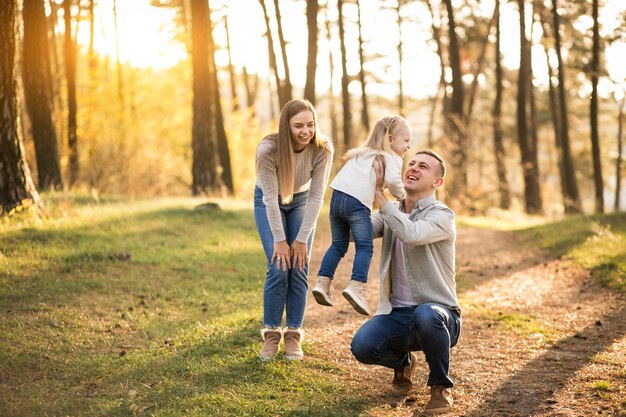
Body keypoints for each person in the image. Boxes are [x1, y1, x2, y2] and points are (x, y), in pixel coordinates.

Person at [350, 149, 461, 415]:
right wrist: (354, 193)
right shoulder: (390, 213)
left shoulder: (442, 215)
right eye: (411, 163)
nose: (413, 168)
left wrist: (381, 196)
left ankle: (440, 388)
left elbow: (411, 233)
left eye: (423, 166)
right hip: (397, 316)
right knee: (362, 347)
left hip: (441, 317)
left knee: (426, 314)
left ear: (437, 182)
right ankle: (403, 361)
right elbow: (356, 231)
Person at [254, 99, 334, 361]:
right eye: (298, 125)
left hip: (301, 200)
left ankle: (293, 333)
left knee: (299, 264)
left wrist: (300, 240)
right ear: (285, 126)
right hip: (269, 200)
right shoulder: (268, 150)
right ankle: (271, 332)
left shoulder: (323, 149)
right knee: (278, 265)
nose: (306, 131)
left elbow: (316, 197)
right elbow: (269, 199)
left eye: (310, 125)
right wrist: (280, 240)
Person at [312, 116, 411, 316]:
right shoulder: (391, 157)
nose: (409, 146)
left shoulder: (363, 152)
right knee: (364, 247)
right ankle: (356, 287)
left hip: (336, 199)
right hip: (357, 204)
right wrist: (405, 198)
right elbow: (393, 181)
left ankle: (322, 283)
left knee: (338, 245)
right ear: (390, 140)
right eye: (406, 141)